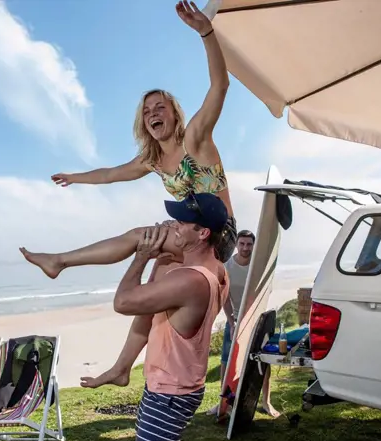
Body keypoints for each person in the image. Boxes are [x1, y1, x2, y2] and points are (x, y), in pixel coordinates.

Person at [20, 0, 237, 389]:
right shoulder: (152, 160)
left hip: (218, 233)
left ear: (174, 113)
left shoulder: (196, 139)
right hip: (187, 236)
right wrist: (75, 177)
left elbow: (220, 85)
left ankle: (60, 262)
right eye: (146, 110)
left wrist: (206, 32)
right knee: (153, 290)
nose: (152, 112)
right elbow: (110, 173)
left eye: (160, 106)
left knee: (144, 237)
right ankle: (122, 367)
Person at [111, 191, 230, 441]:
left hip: (170, 393)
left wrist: (141, 257)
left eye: (182, 222)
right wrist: (159, 264)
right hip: (172, 387)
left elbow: (123, 302)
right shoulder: (218, 273)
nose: (174, 225)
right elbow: (153, 311)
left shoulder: (190, 280)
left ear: (203, 233)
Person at [206, 229, 280, 418]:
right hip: (236, 320)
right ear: (237, 245)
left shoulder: (258, 265)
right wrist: (231, 322)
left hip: (257, 319)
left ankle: (266, 402)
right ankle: (222, 402)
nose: (245, 248)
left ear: (253, 245)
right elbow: (225, 299)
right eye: (242, 244)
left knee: (263, 361)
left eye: (249, 244)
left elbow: (264, 291)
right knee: (226, 362)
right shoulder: (227, 267)